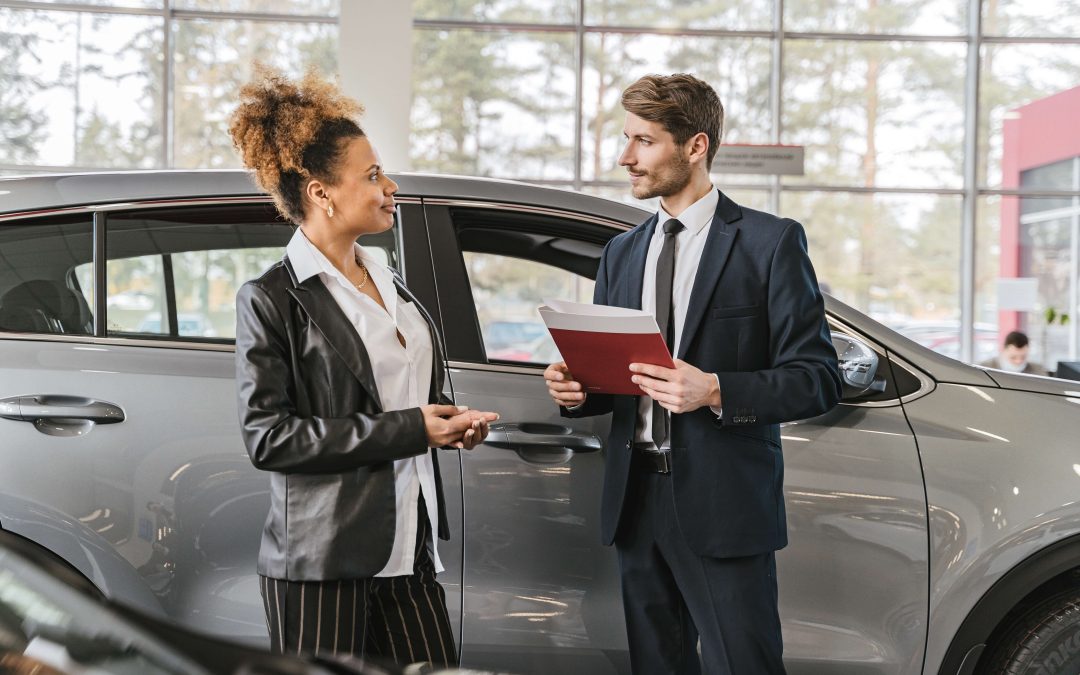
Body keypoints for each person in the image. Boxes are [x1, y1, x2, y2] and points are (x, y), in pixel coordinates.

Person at [544, 73, 842, 674]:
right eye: (627, 139)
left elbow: (818, 377)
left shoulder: (770, 243)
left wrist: (716, 390)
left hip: (723, 503)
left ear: (696, 146)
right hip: (636, 501)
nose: (625, 157)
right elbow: (616, 381)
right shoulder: (622, 252)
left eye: (644, 142)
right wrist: (576, 390)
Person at [230, 66, 498, 667]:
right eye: (373, 175)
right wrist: (413, 429)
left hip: (410, 544)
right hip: (323, 560)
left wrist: (449, 426)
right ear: (321, 192)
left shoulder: (387, 280)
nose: (390, 186)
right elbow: (268, 438)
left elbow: (398, 394)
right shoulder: (273, 298)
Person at [980, 330, 1047, 375]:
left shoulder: (1038, 371)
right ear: (1004, 350)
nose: (1018, 361)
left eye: (1023, 357)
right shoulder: (983, 369)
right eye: (1013, 357)